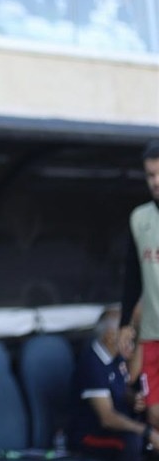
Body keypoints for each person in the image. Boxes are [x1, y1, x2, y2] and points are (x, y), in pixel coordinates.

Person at [68, 306, 159, 460]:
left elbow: (123, 385)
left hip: (117, 426)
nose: (131, 338)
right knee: (133, 441)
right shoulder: (92, 365)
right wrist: (147, 432)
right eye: (127, 335)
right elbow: (107, 418)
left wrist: (132, 398)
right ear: (110, 336)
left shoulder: (116, 357)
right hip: (90, 435)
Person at [120, 140, 159, 431]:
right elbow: (132, 276)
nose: (156, 181)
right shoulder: (139, 218)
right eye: (150, 175)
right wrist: (125, 323)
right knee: (154, 415)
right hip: (152, 333)